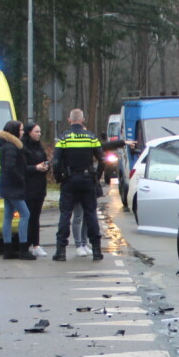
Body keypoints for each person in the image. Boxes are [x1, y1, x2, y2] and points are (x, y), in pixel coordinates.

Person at [50, 108, 123, 262]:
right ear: (82, 120)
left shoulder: (64, 138)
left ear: (69, 120)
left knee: (65, 214)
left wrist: (59, 178)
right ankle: (96, 250)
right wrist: (96, 176)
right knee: (90, 214)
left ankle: (61, 251)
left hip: (69, 180)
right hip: (87, 179)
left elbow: (55, 162)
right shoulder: (91, 137)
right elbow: (102, 159)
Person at [0, 121, 35, 260]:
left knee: (8, 216)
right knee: (25, 214)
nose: (23, 132)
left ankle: (8, 248)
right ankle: (23, 248)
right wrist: (21, 179)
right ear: (14, 131)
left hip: (7, 185)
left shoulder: (6, 145)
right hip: (13, 186)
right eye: (21, 129)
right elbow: (10, 167)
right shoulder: (11, 147)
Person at [21, 122, 50, 257]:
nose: (38, 134)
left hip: (40, 186)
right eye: (36, 132)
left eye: (39, 132)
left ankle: (36, 244)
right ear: (29, 133)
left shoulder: (39, 147)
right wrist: (35, 168)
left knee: (36, 217)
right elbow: (21, 168)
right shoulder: (23, 148)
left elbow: (44, 160)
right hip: (28, 187)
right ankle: (26, 243)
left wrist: (45, 167)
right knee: (28, 216)